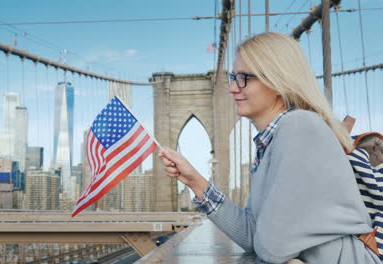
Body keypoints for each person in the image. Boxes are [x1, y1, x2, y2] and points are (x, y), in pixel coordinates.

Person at [158, 32, 381, 263]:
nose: (233, 88)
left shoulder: (299, 126)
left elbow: (272, 250)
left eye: (243, 78)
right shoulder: (271, 143)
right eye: (233, 77)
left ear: (277, 81)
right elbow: (252, 236)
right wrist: (194, 180)